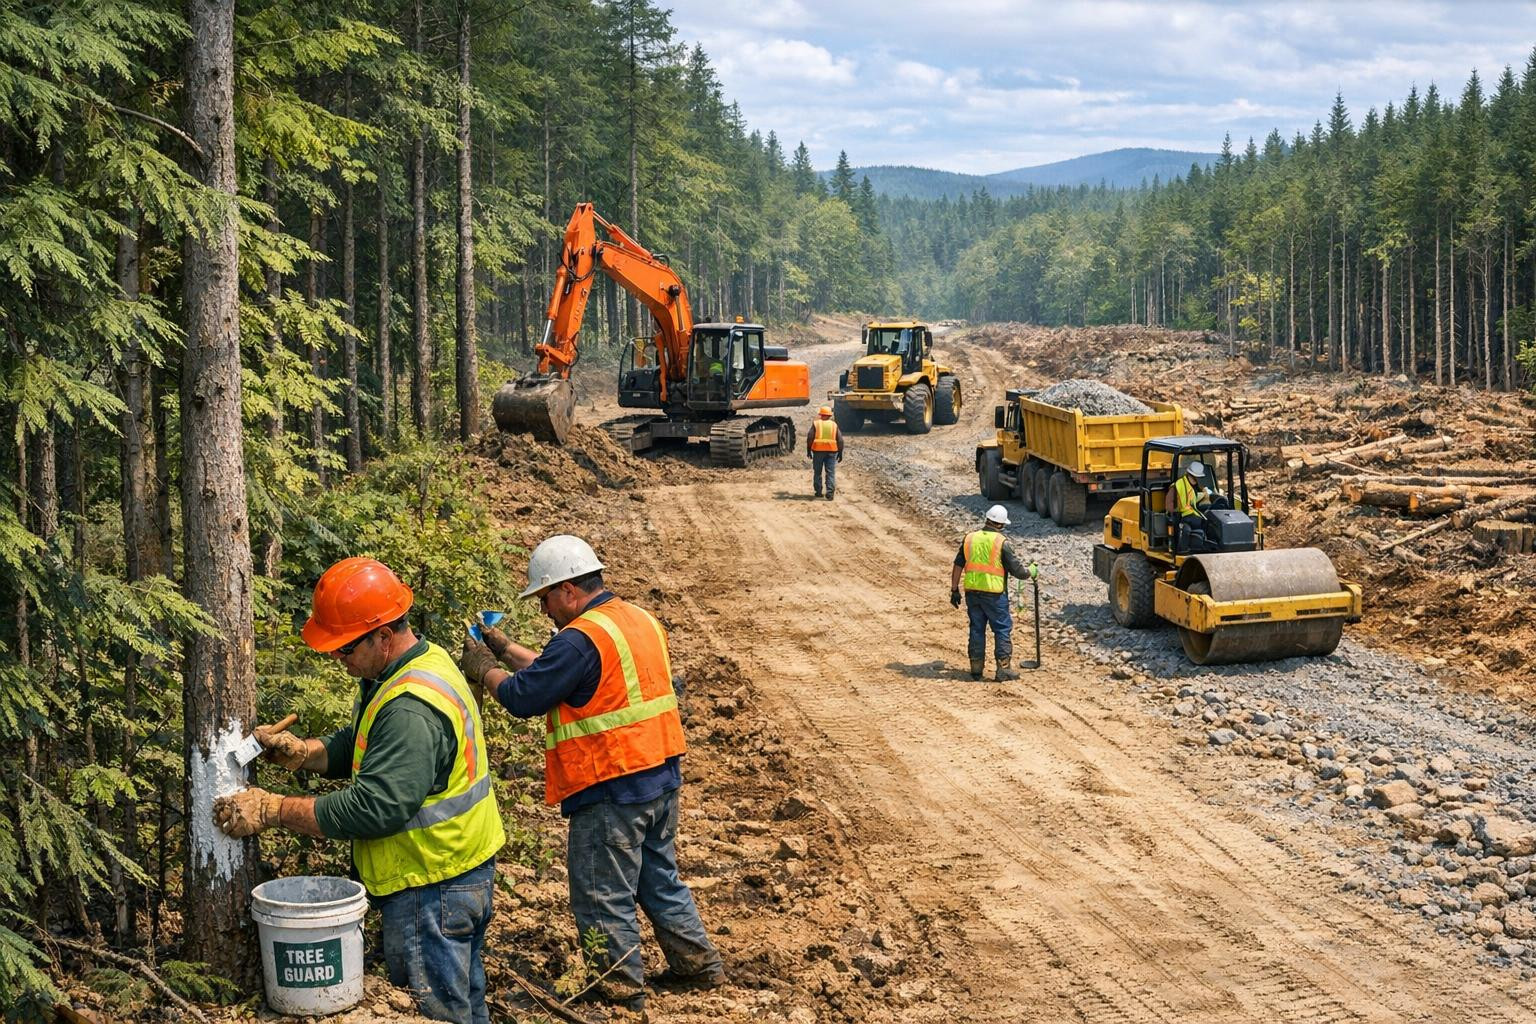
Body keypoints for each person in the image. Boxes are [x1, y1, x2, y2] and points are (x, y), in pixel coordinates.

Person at [212, 557, 504, 1024]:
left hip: (431, 885)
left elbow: (373, 808)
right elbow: (368, 743)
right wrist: (305, 752)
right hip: (457, 872)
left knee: (437, 1014)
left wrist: (272, 810)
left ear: (383, 636)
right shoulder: (413, 665)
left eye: (345, 647)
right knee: (465, 1005)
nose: (337, 657)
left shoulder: (409, 707)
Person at [457, 535, 722, 1012]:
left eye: (544, 598)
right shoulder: (635, 619)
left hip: (611, 784)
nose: (544, 610)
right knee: (659, 879)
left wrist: (483, 668)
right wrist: (505, 647)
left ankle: (618, 993)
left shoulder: (579, 639)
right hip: (659, 775)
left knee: (602, 894)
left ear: (568, 590)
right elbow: (559, 672)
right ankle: (698, 966)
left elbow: (523, 696)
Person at [950, 505, 1034, 681]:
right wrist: (1031, 571)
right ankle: (1003, 669)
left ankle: (976, 668)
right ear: (1001, 524)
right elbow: (1018, 571)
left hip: (972, 593)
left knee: (976, 628)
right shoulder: (1001, 542)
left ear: (987, 519)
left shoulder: (970, 538)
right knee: (1002, 629)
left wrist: (954, 589)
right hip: (994, 595)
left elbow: (958, 564)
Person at [1171, 461, 1214, 551]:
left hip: (1189, 513)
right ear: (1190, 475)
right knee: (1207, 523)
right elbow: (1181, 505)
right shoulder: (1180, 485)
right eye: (1196, 477)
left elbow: (1192, 499)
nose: (1197, 480)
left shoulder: (1189, 485)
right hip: (1184, 515)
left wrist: (1204, 494)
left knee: (1208, 519)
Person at [806, 405, 844, 500]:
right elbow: (840, 440)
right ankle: (830, 493)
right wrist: (840, 453)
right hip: (832, 451)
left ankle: (818, 492)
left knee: (817, 472)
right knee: (830, 472)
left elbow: (810, 437)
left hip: (818, 451)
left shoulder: (816, 423)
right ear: (830, 415)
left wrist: (808, 450)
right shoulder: (834, 425)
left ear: (821, 414)